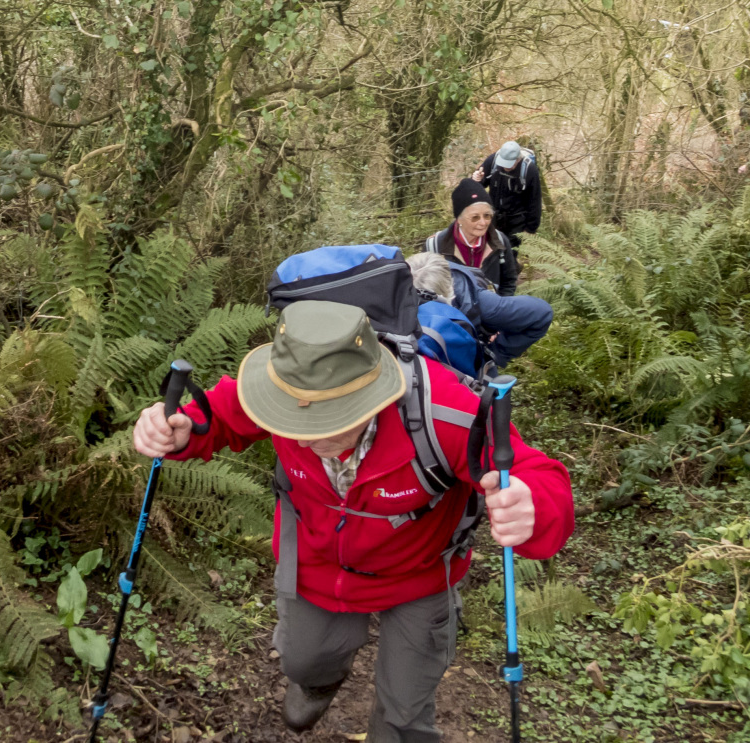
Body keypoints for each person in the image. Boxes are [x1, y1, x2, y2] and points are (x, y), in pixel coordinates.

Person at [133, 300, 574, 742]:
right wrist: (180, 431)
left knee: (405, 712)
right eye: (294, 417)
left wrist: (531, 505)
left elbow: (535, 474)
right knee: (302, 660)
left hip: (419, 575)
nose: (308, 435)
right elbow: (218, 417)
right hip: (319, 564)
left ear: (376, 391)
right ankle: (318, 682)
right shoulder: (275, 388)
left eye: (331, 417)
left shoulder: (446, 411)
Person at [407, 252, 553, 368]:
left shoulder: (480, 303)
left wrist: (494, 353)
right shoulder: (395, 288)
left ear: (448, 292)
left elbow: (541, 314)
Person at [425, 178, 519, 296]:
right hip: (452, 312)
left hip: (491, 311)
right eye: (475, 217)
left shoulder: (500, 241)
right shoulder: (434, 246)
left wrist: (500, 306)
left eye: (487, 216)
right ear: (459, 219)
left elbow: (509, 281)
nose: (483, 222)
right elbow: (425, 286)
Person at [472, 140, 542, 247]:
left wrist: (530, 229)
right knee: (490, 251)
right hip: (493, 217)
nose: (506, 167)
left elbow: (535, 200)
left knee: (510, 253)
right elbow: (477, 186)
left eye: (509, 164)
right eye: (503, 163)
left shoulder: (529, 170)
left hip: (516, 221)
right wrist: (476, 179)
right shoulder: (493, 160)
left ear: (518, 159)